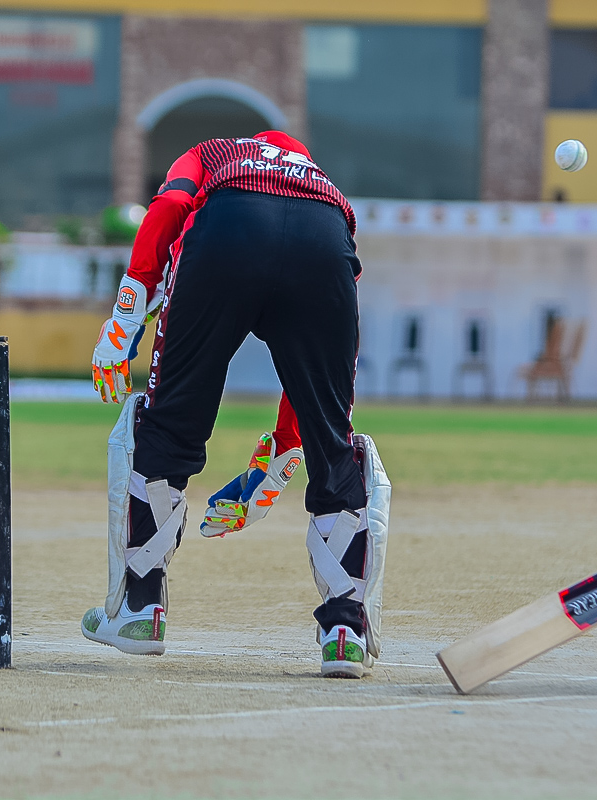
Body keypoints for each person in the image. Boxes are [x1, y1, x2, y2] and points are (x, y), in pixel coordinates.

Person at [80, 131, 390, 678]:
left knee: (168, 421)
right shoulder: (322, 186)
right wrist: (279, 462)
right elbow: (319, 385)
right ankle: (344, 633)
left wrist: (126, 315)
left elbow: (170, 206)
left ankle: (139, 612)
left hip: (228, 230)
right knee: (333, 440)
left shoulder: (215, 153)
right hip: (325, 244)